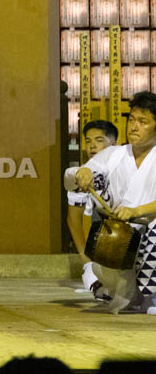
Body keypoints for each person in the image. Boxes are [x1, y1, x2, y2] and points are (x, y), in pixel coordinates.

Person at [66, 91, 156, 314]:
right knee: (105, 268)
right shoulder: (114, 155)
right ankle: (136, 296)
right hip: (121, 241)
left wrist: (137, 210)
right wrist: (84, 172)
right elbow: (86, 170)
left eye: (143, 122)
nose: (134, 126)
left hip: (151, 235)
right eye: (131, 120)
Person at [66, 120, 117, 297]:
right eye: (88, 141)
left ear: (114, 144)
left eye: (99, 140)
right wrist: (87, 262)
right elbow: (74, 219)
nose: (92, 146)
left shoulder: (128, 163)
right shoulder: (83, 174)